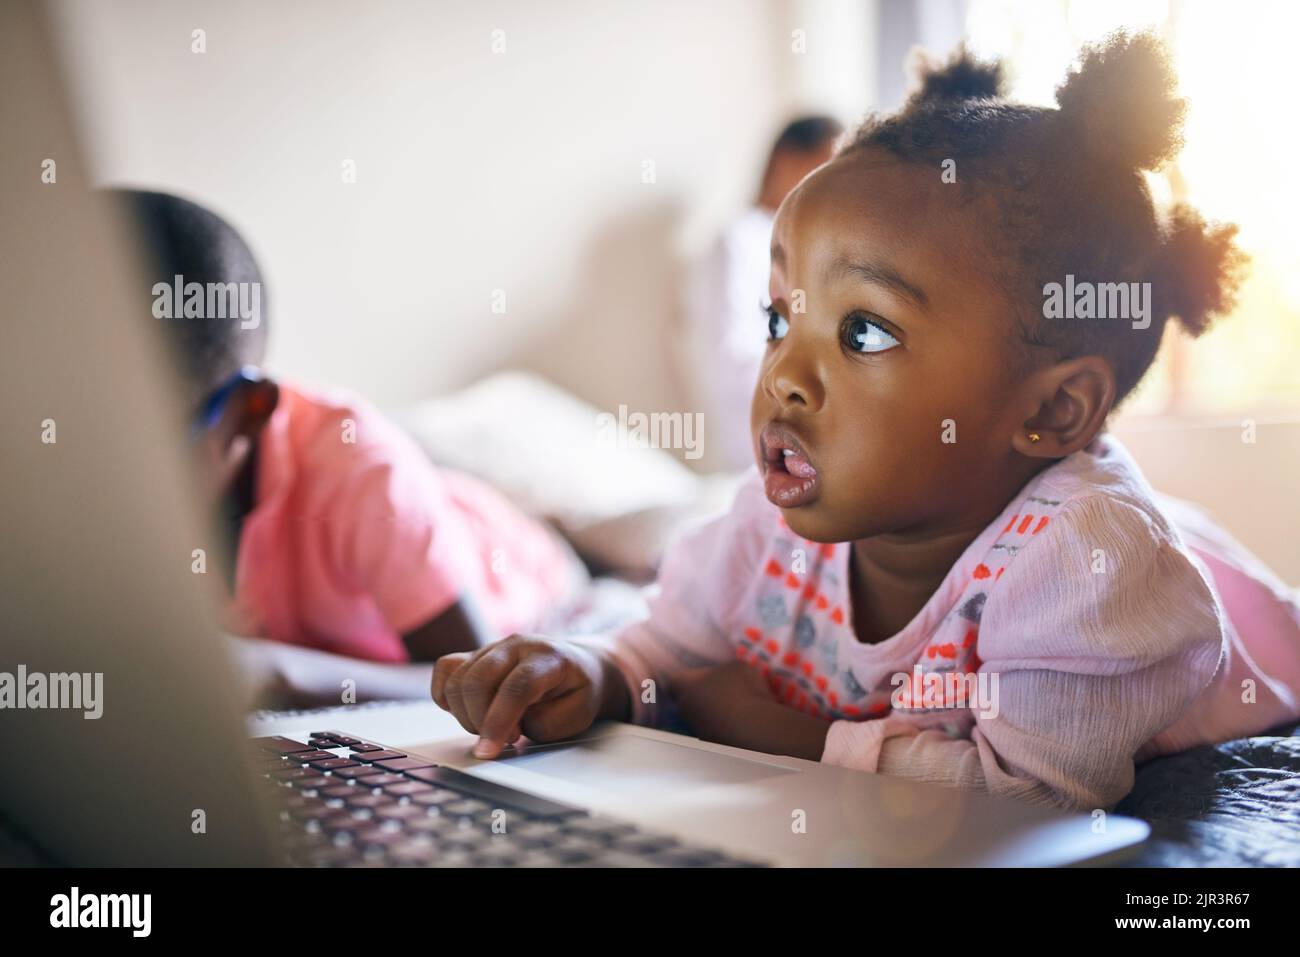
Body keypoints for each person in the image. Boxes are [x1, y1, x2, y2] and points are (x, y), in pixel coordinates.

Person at [430, 32, 1300, 811]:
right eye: (779, 318)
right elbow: (664, 647)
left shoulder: (1084, 559)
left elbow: (1034, 797)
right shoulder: (764, 526)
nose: (786, 376)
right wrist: (590, 673)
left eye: (864, 331)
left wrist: (773, 731)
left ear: (1051, 409)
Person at [115, 189, 585, 703]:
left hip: (526, 575)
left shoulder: (359, 466)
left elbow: (472, 677)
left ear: (250, 412)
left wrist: (277, 672)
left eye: (147, 443)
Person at [683, 115, 843, 470]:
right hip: (751, 439)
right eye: (823, 164)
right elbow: (729, 353)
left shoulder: (811, 243)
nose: (830, 182)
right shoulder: (738, 240)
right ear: (786, 160)